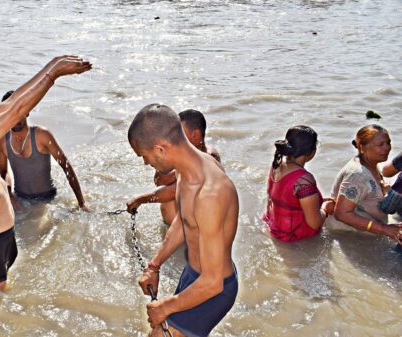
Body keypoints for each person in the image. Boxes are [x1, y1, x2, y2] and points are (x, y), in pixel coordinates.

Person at [0, 55, 91, 290]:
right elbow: (15, 112)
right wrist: (54, 75)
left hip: (4, 235)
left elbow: (12, 104)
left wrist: (53, 63)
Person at [129, 104, 238, 337]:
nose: (145, 163)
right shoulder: (185, 168)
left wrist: (166, 307)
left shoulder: (210, 192)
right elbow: (185, 220)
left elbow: (213, 282)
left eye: (144, 156)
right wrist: (154, 266)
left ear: (159, 149)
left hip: (213, 290)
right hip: (194, 275)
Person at [126, 109, 220, 225]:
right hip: (178, 226)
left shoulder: (209, 157)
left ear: (196, 136)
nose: (174, 138)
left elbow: (176, 190)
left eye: (180, 134)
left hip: (200, 228)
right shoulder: (179, 158)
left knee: (172, 196)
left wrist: (140, 199)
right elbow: (159, 181)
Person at [0, 90, 87, 209]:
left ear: (27, 111)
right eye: (10, 112)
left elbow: (66, 167)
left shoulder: (42, 135)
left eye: (20, 110)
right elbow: (3, 173)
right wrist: (10, 195)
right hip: (21, 199)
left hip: (48, 200)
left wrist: (82, 204)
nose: (15, 117)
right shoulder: (2, 141)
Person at [326, 124, 402, 244]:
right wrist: (384, 229)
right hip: (350, 236)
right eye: (380, 144)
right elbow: (341, 213)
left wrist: (384, 190)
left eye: (388, 142)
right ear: (362, 147)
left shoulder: (371, 164)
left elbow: (367, 194)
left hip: (367, 232)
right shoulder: (358, 174)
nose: (387, 148)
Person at [263, 125, 335, 242]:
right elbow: (314, 223)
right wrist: (325, 209)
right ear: (312, 152)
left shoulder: (277, 164)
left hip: (273, 225)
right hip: (294, 236)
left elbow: (286, 198)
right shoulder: (304, 180)